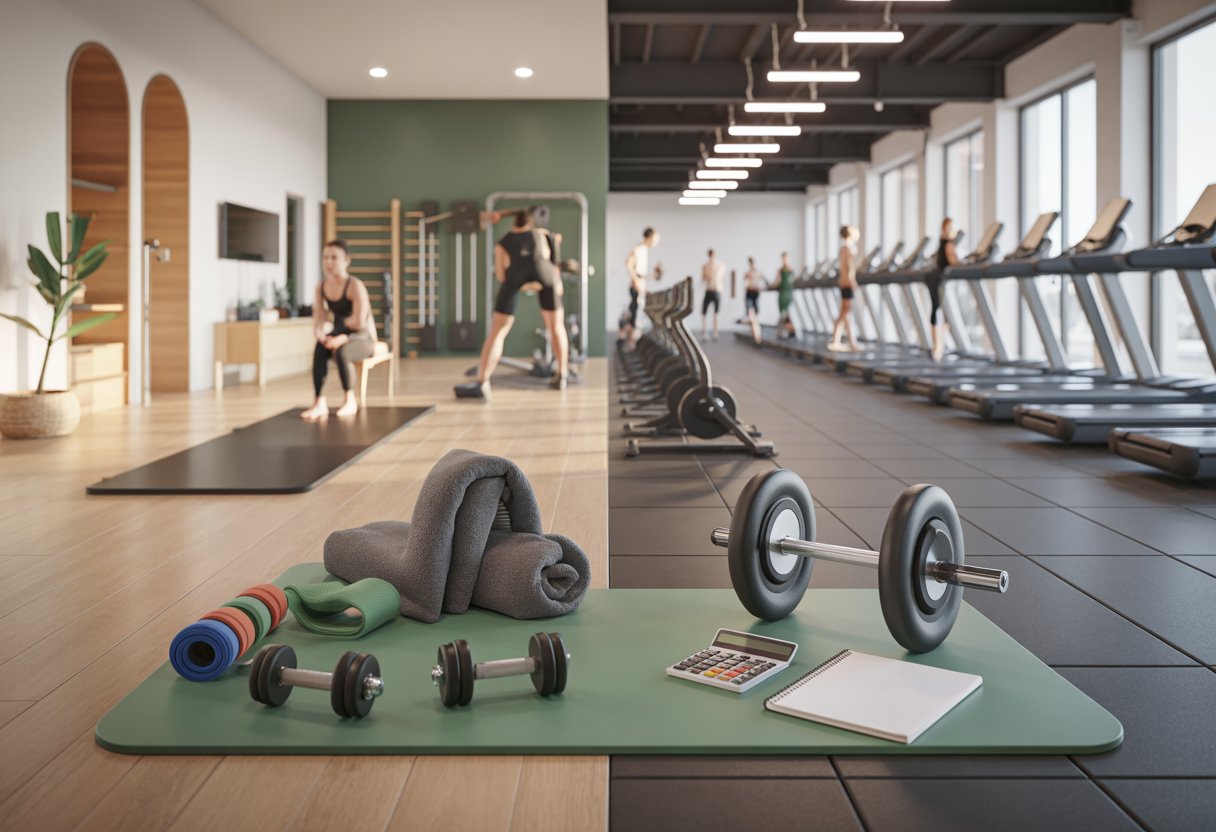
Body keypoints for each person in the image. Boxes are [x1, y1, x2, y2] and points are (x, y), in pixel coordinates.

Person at [455, 207, 568, 400]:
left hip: (515, 277)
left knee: (497, 332)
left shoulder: (503, 243)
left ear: (513, 223)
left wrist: (522, 284)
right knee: (556, 326)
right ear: (530, 222)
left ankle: (482, 382)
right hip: (546, 277)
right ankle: (562, 375)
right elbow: (551, 260)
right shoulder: (542, 234)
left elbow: (501, 275)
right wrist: (545, 283)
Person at [301, 240, 377, 420]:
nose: (328, 262)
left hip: (362, 338)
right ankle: (319, 403)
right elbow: (318, 317)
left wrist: (342, 337)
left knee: (342, 352)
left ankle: (350, 400)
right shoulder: (321, 287)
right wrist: (320, 335)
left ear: (346, 260)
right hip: (339, 333)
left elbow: (358, 322)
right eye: (325, 257)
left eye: (334, 258)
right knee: (320, 349)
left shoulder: (355, 285)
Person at [621, 227, 660, 349]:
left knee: (635, 317)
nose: (656, 242)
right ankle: (630, 345)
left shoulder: (644, 251)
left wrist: (650, 277)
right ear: (649, 237)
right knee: (636, 319)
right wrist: (637, 281)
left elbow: (638, 271)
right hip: (636, 288)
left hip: (640, 287)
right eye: (655, 239)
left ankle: (628, 341)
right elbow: (628, 264)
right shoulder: (638, 249)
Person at [929, 217, 960, 362]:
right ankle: (938, 346)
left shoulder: (942, 241)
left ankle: (938, 345)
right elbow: (953, 261)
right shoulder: (948, 243)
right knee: (940, 311)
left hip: (934, 277)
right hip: (939, 279)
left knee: (937, 310)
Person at [829, 226, 861, 352]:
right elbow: (849, 269)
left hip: (843, 283)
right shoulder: (848, 250)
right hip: (847, 284)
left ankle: (850, 342)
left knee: (845, 313)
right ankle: (836, 340)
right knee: (845, 313)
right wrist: (853, 282)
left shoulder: (843, 249)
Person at [700, 248, 725, 341]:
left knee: (716, 313)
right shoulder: (705, 266)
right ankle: (705, 332)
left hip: (717, 291)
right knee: (704, 313)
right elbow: (703, 278)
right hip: (709, 290)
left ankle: (715, 333)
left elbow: (719, 276)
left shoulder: (720, 265)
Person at [772, 251, 797, 340]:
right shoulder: (782, 270)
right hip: (783, 293)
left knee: (787, 314)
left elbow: (777, 282)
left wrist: (773, 285)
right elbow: (777, 281)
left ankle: (791, 331)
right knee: (784, 313)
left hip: (787, 294)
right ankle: (788, 331)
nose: (784, 260)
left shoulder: (790, 270)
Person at [742, 257, 766, 345]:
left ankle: (756, 335)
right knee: (751, 316)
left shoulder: (759, 273)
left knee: (754, 317)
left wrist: (760, 287)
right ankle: (757, 337)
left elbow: (765, 282)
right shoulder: (747, 273)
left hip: (755, 295)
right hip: (749, 294)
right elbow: (745, 284)